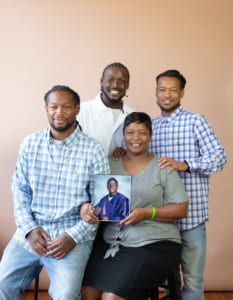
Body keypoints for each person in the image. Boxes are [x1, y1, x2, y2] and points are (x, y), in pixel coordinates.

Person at [0, 85, 109, 300]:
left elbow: (101, 204)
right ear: (46, 109)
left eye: (66, 106)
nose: (59, 112)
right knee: (2, 283)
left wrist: (72, 237)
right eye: (54, 106)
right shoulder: (30, 144)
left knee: (66, 294)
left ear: (77, 109)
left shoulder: (93, 150)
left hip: (71, 235)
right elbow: (20, 189)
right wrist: (30, 230)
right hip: (32, 233)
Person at [81, 112, 189, 300]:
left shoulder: (163, 167)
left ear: (150, 136)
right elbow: (95, 199)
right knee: (88, 293)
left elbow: (181, 208)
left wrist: (148, 213)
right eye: (130, 132)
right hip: (113, 242)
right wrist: (89, 208)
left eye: (142, 133)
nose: (136, 138)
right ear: (123, 136)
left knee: (111, 297)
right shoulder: (110, 164)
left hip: (154, 242)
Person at [150, 69, 227, 300]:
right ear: (156, 92)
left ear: (182, 93)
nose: (167, 94)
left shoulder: (195, 121)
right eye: (162, 89)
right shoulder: (151, 127)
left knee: (193, 281)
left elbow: (220, 157)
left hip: (192, 218)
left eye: (173, 90)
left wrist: (185, 164)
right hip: (161, 220)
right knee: (164, 282)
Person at [77, 62, 134, 156]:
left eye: (122, 81)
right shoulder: (81, 111)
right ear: (101, 81)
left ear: (127, 85)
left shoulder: (133, 115)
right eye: (110, 80)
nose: (115, 85)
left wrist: (127, 153)